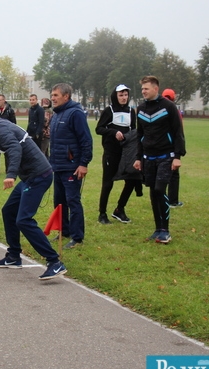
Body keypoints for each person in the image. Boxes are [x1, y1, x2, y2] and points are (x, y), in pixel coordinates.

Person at [0, 100, 67, 280]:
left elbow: (14, 148)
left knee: (23, 220)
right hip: (31, 176)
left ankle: (54, 261)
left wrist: (11, 174)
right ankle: (14, 256)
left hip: (38, 176)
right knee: (9, 211)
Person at [133, 76, 185, 244]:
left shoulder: (169, 107)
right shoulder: (140, 108)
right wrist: (138, 157)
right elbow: (139, 134)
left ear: (156, 89)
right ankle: (157, 228)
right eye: (142, 89)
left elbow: (178, 132)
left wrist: (177, 156)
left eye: (146, 88)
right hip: (148, 157)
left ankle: (166, 230)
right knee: (152, 193)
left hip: (166, 156)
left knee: (160, 190)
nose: (143, 91)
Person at [48, 83, 93, 249]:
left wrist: (83, 164)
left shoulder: (75, 113)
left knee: (73, 201)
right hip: (57, 166)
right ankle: (63, 231)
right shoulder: (56, 115)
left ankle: (77, 237)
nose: (52, 98)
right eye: (52, 95)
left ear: (66, 96)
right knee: (59, 202)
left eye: (56, 95)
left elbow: (86, 140)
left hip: (71, 167)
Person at [95, 84, 140, 225]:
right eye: (121, 95)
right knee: (108, 184)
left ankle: (119, 209)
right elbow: (99, 129)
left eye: (126, 95)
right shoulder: (109, 110)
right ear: (115, 96)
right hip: (111, 153)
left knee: (132, 180)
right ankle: (102, 214)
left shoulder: (131, 111)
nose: (123, 98)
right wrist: (114, 132)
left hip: (126, 153)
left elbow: (134, 130)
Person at [161, 88, 184, 208]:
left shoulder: (158, 108)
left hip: (159, 146)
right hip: (171, 146)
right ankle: (173, 200)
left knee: (160, 173)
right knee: (173, 174)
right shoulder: (174, 109)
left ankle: (160, 198)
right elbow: (179, 130)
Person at [0, 94, 17, 174]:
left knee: (7, 153)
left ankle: (8, 170)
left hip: (7, 135)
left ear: (4, 100)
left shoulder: (10, 110)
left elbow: (14, 123)